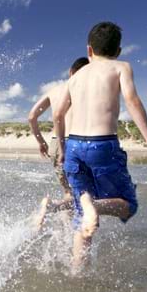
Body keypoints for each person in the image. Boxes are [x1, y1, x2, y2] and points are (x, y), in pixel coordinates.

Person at [53, 22, 147, 273]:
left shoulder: (75, 79)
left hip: (74, 146)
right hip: (102, 144)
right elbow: (132, 100)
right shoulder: (121, 67)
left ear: (89, 50)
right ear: (118, 50)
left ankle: (77, 274)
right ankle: (93, 205)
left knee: (80, 216)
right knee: (129, 204)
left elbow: (58, 115)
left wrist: (62, 148)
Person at [30, 57, 89, 229]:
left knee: (69, 192)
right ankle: (53, 207)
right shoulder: (85, 91)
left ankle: (67, 230)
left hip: (56, 142)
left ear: (70, 72)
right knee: (84, 195)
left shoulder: (54, 90)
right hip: (77, 143)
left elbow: (32, 117)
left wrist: (41, 142)